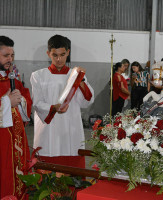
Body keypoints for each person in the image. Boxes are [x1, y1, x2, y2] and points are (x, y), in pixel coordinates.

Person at [30, 34, 94, 168]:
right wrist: (54, 108)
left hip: (71, 128)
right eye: (55, 55)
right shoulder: (38, 76)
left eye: (63, 54)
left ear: (68, 53)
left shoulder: (76, 75)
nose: (59, 59)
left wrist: (81, 81)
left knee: (72, 169)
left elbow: (86, 101)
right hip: (48, 129)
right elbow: (37, 103)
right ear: (48, 54)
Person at [0, 36, 32, 199]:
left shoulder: (11, 78)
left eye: (12, 55)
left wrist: (21, 101)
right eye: (6, 55)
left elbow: (26, 97)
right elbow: (7, 101)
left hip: (16, 139)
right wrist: (6, 102)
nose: (10, 59)